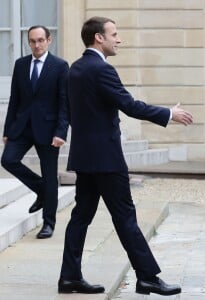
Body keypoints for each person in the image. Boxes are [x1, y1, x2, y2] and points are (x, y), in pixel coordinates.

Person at [58, 16, 193, 295]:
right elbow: (129, 105)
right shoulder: (101, 70)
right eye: (114, 34)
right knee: (125, 218)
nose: (119, 40)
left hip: (85, 158)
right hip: (106, 159)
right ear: (99, 38)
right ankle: (148, 278)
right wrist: (168, 113)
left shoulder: (76, 68)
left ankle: (69, 276)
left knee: (81, 217)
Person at [1, 26, 69, 239]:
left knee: (50, 175)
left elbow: (64, 102)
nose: (36, 45)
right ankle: (41, 189)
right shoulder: (21, 65)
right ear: (28, 42)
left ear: (49, 40)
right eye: (32, 41)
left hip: (49, 130)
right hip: (22, 126)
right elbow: (15, 99)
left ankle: (48, 223)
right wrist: (7, 129)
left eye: (40, 40)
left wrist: (61, 132)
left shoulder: (59, 66)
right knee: (8, 160)